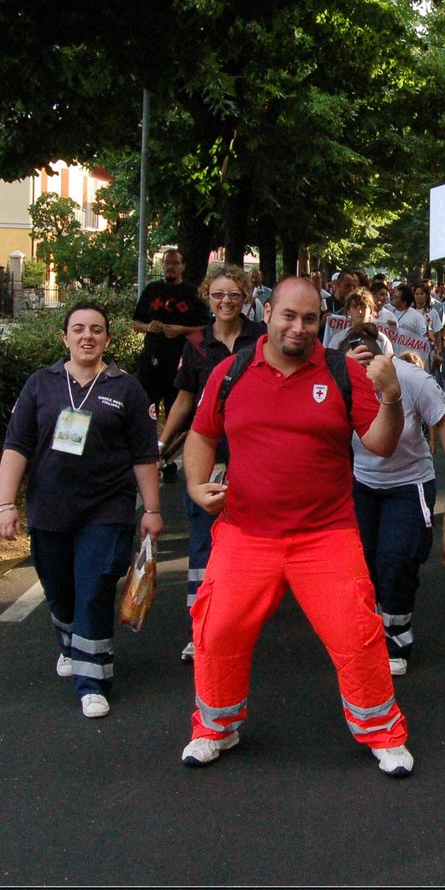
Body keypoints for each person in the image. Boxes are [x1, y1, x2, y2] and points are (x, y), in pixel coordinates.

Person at [179, 278, 415, 777]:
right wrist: (197, 487)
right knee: (216, 629)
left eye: (310, 319)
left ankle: (381, 731)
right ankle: (215, 727)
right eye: (289, 316)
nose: (299, 327)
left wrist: (391, 399)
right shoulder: (231, 371)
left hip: (324, 535)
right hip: (246, 534)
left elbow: (381, 445)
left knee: (357, 634)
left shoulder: (342, 372)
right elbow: (201, 435)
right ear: (268, 313)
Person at [0, 302, 163, 719]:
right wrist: (5, 504)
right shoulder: (41, 384)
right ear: (65, 338)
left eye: (97, 330)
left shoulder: (126, 388)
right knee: (59, 588)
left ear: (108, 339)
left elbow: (144, 455)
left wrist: (153, 510)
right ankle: (71, 642)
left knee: (94, 587)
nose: (88, 336)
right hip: (50, 507)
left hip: (107, 507)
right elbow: (16, 446)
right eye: (79, 329)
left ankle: (92, 681)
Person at [340, 323, 445, 677]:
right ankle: (368, 629)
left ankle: (396, 635)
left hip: (408, 483)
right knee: (360, 561)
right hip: (362, 483)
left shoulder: (412, 379)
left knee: (396, 560)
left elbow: (444, 418)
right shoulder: (341, 379)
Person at [156, 266, 265, 662]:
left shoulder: (262, 339)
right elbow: (185, 399)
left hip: (254, 458)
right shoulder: (197, 343)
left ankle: (241, 621)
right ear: (208, 296)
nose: (226, 301)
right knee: (203, 541)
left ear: (246, 297)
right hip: (207, 455)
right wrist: (163, 442)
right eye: (218, 294)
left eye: (234, 294)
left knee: (250, 542)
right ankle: (200, 629)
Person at [131, 249, 208, 421]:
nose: (170, 267)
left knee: (178, 410)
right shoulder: (152, 289)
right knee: (146, 408)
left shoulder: (193, 292)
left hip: (181, 360)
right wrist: (149, 327)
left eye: (175, 263)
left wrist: (181, 330)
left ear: (183, 267)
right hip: (152, 360)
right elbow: (135, 323)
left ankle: (171, 445)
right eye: (167, 263)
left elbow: (206, 327)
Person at [379, 283, 431, 366]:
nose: (392, 298)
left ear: (404, 301)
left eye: (396, 297)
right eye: (393, 295)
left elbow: (423, 341)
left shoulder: (417, 317)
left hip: (407, 361)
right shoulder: (388, 310)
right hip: (389, 358)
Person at [414, 282, 445, 393]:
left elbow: (438, 334)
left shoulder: (433, 312)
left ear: (426, 295)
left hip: (429, 351)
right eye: (417, 293)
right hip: (414, 350)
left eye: (422, 293)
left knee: (430, 378)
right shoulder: (410, 312)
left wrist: (439, 352)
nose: (419, 296)